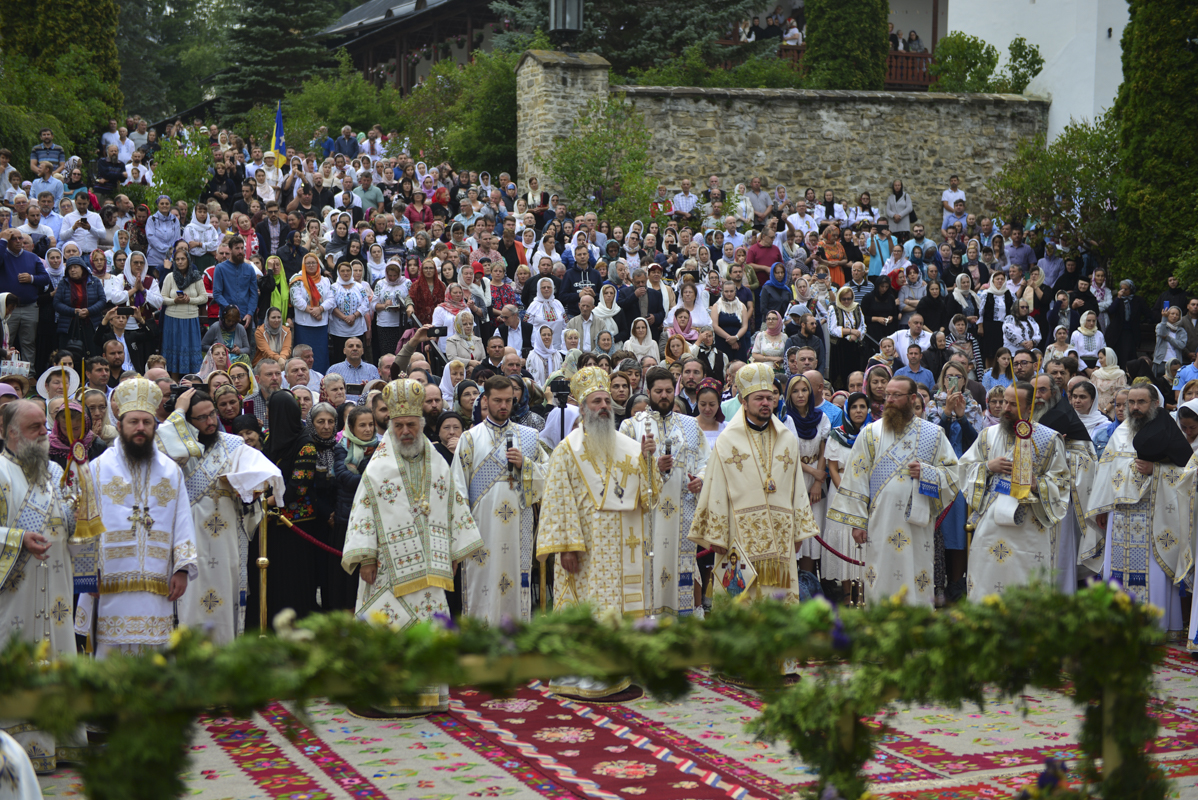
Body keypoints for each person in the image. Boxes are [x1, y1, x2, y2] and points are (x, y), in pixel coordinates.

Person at [341, 379, 483, 716]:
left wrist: (454, 554)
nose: (406, 431)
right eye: (399, 425)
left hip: (431, 570)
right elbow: (363, 513)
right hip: (387, 570)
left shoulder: (437, 463)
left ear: (421, 425)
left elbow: (455, 507)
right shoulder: (378, 466)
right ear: (390, 426)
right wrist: (366, 556)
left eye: (412, 425)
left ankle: (427, 696)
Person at [536, 367, 660, 700]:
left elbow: (648, 498)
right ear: (583, 407)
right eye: (596, 401)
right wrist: (567, 547)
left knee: (617, 608)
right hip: (585, 549)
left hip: (623, 548)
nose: (604, 406)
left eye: (607, 400)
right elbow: (558, 500)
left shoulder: (630, 446)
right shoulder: (566, 450)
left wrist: (649, 461)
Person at [75, 378, 198, 656]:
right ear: (119, 425)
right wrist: (85, 574)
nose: (140, 428)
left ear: (155, 425)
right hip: (108, 580)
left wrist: (181, 568)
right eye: (133, 422)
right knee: (111, 654)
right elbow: (83, 520)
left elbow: (182, 520)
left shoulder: (171, 471)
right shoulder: (96, 468)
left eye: (146, 421)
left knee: (156, 652)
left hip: (159, 578)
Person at [0, 400, 88, 771]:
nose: (45, 434)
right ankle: (16, 751)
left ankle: (64, 741)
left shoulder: (56, 471)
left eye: (45, 427)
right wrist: (17, 539)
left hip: (56, 587)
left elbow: (74, 527)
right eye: (35, 427)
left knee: (59, 656)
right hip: (14, 593)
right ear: (10, 433)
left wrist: (79, 497)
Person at [157, 389, 283, 643]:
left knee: (226, 596)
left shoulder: (233, 444)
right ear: (187, 423)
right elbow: (159, 451)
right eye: (201, 418)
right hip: (188, 538)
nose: (211, 421)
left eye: (212, 414)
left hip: (226, 541)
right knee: (190, 599)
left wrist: (251, 485)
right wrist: (178, 412)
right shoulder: (177, 449)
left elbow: (265, 474)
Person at [827, 375, 959, 606]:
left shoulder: (933, 434)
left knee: (917, 571)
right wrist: (858, 521)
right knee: (881, 574)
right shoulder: (870, 433)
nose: (888, 399)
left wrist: (928, 474)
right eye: (887, 394)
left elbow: (954, 475)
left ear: (911, 399)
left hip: (917, 523)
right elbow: (856, 477)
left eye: (896, 395)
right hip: (880, 521)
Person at [1085, 385, 1192, 634]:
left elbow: (1187, 475)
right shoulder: (1119, 434)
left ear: (1154, 403)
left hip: (1154, 517)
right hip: (1119, 518)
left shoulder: (1168, 431)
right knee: (1119, 573)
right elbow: (1105, 472)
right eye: (1130, 403)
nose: (1134, 408)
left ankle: (1155, 627)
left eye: (1141, 402)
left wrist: (1158, 471)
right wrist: (1101, 509)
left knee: (1153, 575)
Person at [957, 381, 1070, 600]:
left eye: (1013, 404)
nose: (1005, 409)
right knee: (986, 584)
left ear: (1031, 407)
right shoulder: (987, 436)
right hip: (990, 526)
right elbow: (963, 470)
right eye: (1005, 402)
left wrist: (1037, 484)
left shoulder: (1049, 439)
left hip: (1030, 528)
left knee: (1026, 584)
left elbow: (1062, 482)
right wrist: (988, 467)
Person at [452, 375, 549, 625]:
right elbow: (457, 489)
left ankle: (515, 637)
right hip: (481, 530)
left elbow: (550, 476)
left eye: (508, 400)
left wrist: (525, 465)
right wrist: (462, 535)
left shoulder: (529, 436)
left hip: (518, 527)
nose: (503, 405)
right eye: (497, 400)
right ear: (485, 400)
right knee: (481, 584)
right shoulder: (469, 439)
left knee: (515, 582)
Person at [619, 366, 708, 617]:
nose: (665, 396)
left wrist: (700, 479)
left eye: (669, 390)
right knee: (651, 565)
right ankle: (648, 621)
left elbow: (706, 461)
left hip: (684, 508)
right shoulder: (630, 427)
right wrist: (651, 466)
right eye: (659, 391)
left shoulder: (692, 425)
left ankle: (683, 622)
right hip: (648, 515)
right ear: (648, 392)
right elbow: (619, 473)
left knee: (684, 568)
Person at [289, 254, 334, 373]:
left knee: (320, 356)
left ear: (318, 265)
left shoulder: (324, 280)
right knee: (303, 356)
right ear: (303, 265)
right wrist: (312, 311)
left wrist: (320, 309)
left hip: (321, 326)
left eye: (314, 263)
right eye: (308, 263)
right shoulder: (297, 278)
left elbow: (331, 299)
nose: (311, 265)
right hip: (304, 326)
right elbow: (295, 299)